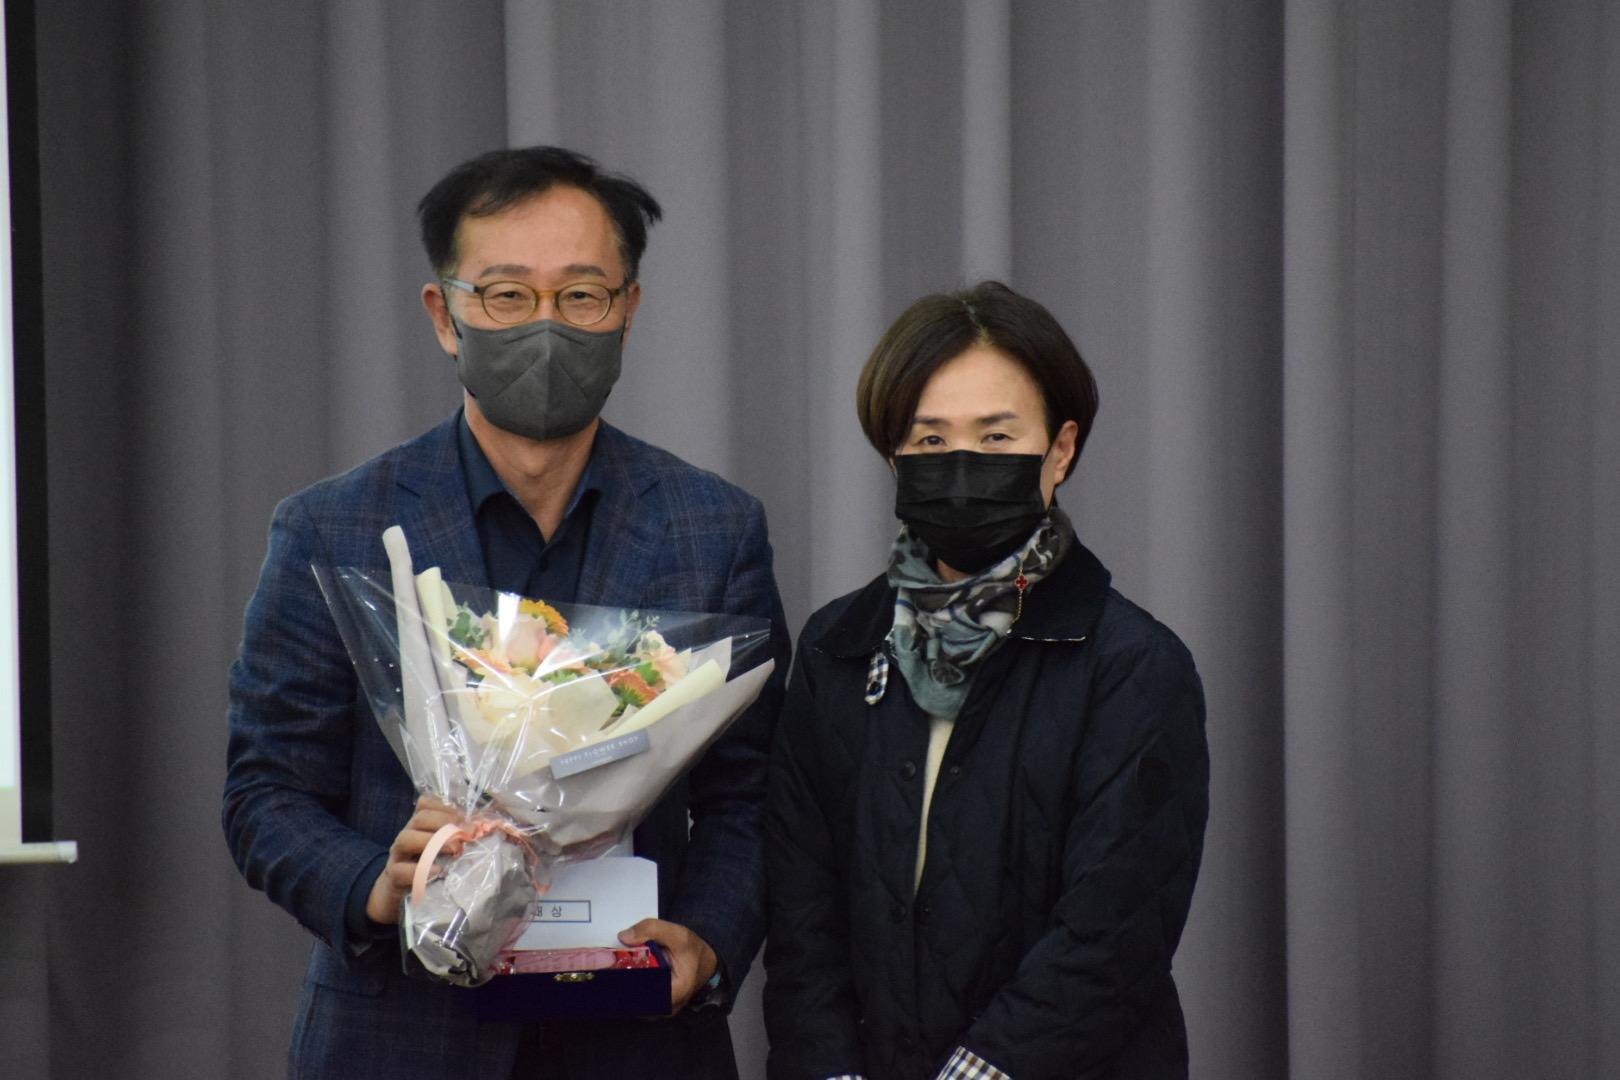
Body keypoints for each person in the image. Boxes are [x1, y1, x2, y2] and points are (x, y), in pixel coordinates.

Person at [223, 146, 788, 1080]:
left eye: (581, 296)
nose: (546, 325)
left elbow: (753, 792)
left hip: (640, 1035)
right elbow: (265, 793)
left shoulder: (713, 528)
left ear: (628, 311)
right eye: (507, 295)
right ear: (444, 314)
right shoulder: (335, 528)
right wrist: (380, 886)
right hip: (401, 1038)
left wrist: (708, 938)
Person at [763, 282, 1208, 1080]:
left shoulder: (1133, 665)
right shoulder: (837, 648)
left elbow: (1112, 935)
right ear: (893, 456)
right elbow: (802, 916)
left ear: (1060, 452)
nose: (962, 467)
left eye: (997, 437)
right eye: (930, 440)